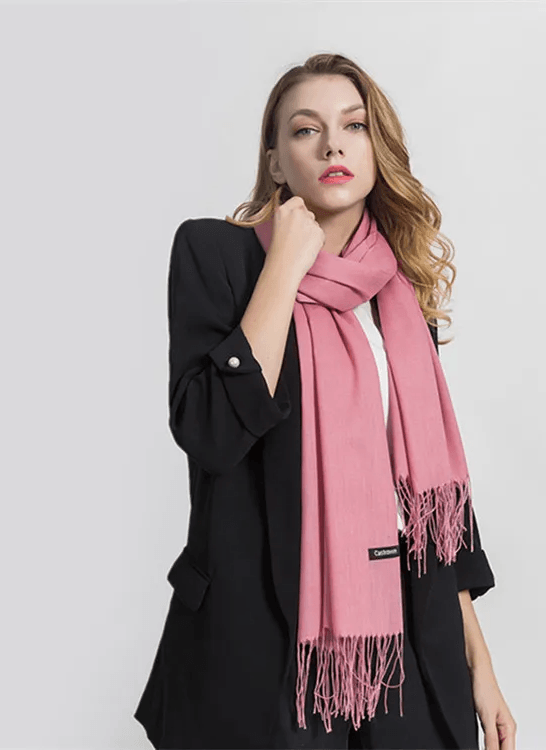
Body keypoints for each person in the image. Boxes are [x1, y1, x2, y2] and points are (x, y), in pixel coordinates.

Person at [133, 52, 517, 750]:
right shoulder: (219, 255)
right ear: (276, 161)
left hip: (410, 637)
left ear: (376, 149)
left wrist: (479, 663)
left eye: (354, 126)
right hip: (267, 643)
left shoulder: (400, 294)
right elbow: (211, 431)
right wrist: (284, 264)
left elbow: (429, 504)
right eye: (306, 129)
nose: (333, 145)